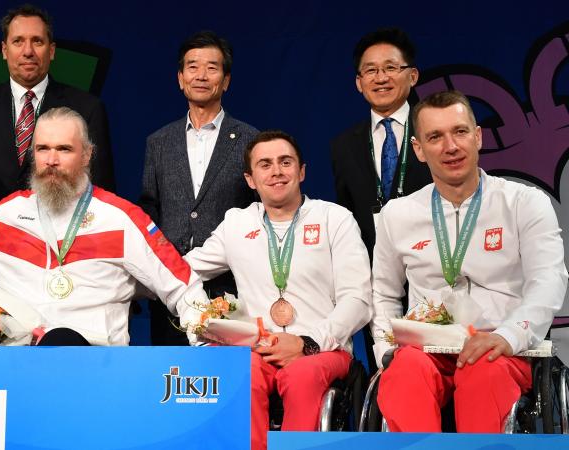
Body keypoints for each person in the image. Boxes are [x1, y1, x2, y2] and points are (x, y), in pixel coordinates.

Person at [370, 90, 567, 432]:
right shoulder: (397, 215)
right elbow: (384, 292)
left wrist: (508, 335)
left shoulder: (523, 202)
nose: (450, 146)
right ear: (418, 149)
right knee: (403, 371)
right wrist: (388, 347)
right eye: (435, 137)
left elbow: (548, 281)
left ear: (477, 137)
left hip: (501, 347)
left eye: (460, 132)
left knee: (483, 371)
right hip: (426, 348)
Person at [185, 131, 371, 450]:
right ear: (250, 179)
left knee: (302, 376)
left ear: (301, 171)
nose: (276, 171)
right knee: (240, 371)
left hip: (323, 349)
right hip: (257, 347)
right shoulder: (237, 224)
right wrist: (198, 321)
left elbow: (358, 300)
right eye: (265, 164)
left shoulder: (334, 219)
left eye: (285, 162)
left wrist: (307, 342)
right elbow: (179, 271)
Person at [0, 106, 204, 345]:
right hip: (16, 361)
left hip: (90, 362)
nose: (51, 160)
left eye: (64, 149)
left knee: (60, 341)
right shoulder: (8, 212)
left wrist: (207, 348)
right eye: (42, 149)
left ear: (87, 155)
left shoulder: (120, 218)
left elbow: (182, 286)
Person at [139, 30, 258, 345]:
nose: (201, 75)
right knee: (171, 378)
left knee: (224, 381)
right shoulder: (159, 142)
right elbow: (149, 209)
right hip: (170, 284)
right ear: (180, 78)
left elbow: (260, 211)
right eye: (192, 67)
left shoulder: (250, 140)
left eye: (212, 67)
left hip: (229, 284)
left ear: (226, 80)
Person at [0, 4, 115, 228]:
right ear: (4, 50)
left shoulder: (87, 108)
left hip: (60, 246)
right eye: (18, 41)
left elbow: (102, 192)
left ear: (52, 50)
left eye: (37, 41)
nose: (28, 51)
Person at [330, 27, 432, 372]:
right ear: (359, 82)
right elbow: (347, 216)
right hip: (374, 278)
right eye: (370, 70)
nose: (381, 78)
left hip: (436, 268)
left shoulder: (436, 133)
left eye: (391, 68)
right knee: (386, 372)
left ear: (412, 75)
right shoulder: (344, 145)